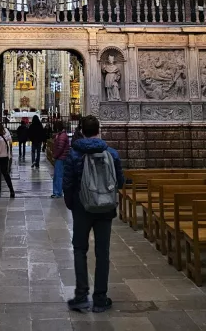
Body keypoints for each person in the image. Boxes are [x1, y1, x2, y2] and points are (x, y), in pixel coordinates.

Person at [63, 115, 124, 314]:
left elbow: (68, 183)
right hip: (105, 207)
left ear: (81, 130)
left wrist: (71, 204)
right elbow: (120, 182)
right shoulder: (112, 153)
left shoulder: (74, 153)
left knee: (80, 249)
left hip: (82, 207)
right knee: (103, 252)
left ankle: (81, 296)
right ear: (99, 130)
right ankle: (100, 298)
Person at [0, 118, 16, 199]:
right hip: (4, 156)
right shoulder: (6, 131)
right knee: (5, 174)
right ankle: (11, 190)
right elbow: (10, 141)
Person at [51, 120, 70, 198]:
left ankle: (58, 192)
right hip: (61, 157)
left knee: (58, 175)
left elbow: (60, 147)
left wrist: (55, 155)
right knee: (57, 175)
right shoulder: (60, 135)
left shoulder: (62, 136)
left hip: (60, 158)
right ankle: (57, 191)